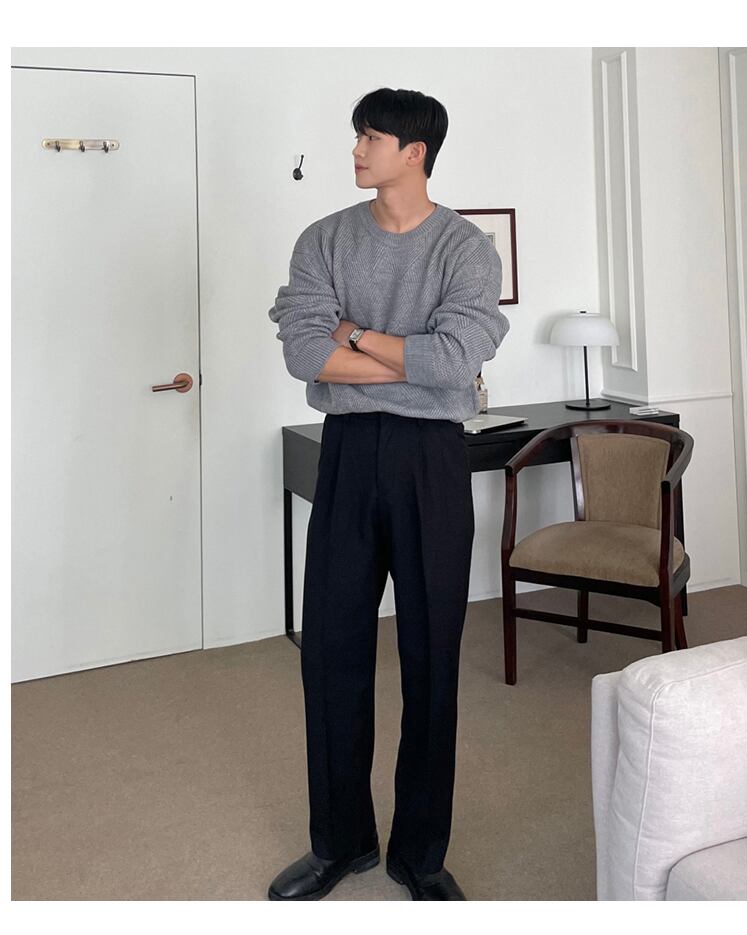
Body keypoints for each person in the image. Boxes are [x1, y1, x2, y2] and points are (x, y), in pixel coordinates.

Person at [266, 87, 510, 901]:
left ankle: (420, 853)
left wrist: (357, 335)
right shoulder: (325, 238)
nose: (355, 149)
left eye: (369, 137)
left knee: (432, 653)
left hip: (432, 459)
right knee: (331, 649)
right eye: (357, 136)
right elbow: (305, 354)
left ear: (414, 152)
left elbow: (458, 357)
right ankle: (340, 843)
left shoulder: (465, 249)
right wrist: (414, 361)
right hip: (345, 453)